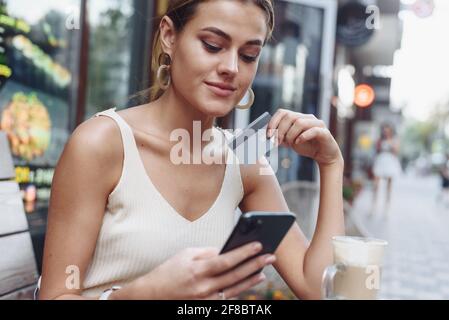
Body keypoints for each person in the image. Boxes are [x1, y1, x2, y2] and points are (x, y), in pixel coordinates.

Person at [38, 0, 344, 300]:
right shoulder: (101, 145)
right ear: (170, 36)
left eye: (249, 55)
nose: (231, 68)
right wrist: (143, 294)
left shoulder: (244, 161)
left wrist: (331, 164)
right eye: (212, 45)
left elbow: (318, 288)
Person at [371, 123, 402, 216]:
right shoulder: (380, 140)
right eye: (385, 130)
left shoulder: (394, 140)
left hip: (390, 162)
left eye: (388, 130)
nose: (386, 132)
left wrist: (391, 145)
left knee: (388, 187)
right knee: (376, 185)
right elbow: (376, 149)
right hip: (381, 160)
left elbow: (396, 151)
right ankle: (374, 206)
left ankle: (386, 208)